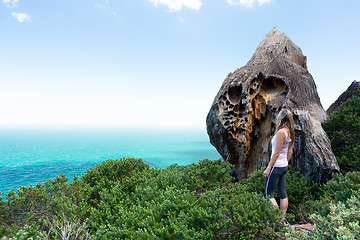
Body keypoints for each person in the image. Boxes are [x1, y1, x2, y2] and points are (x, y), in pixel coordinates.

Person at [263, 108, 295, 222]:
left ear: (280, 118)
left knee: (268, 194)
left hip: (276, 166)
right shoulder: (290, 132)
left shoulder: (281, 132)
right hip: (283, 166)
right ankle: (282, 220)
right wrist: (285, 162)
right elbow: (289, 151)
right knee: (283, 194)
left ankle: (277, 220)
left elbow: (276, 153)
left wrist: (268, 168)